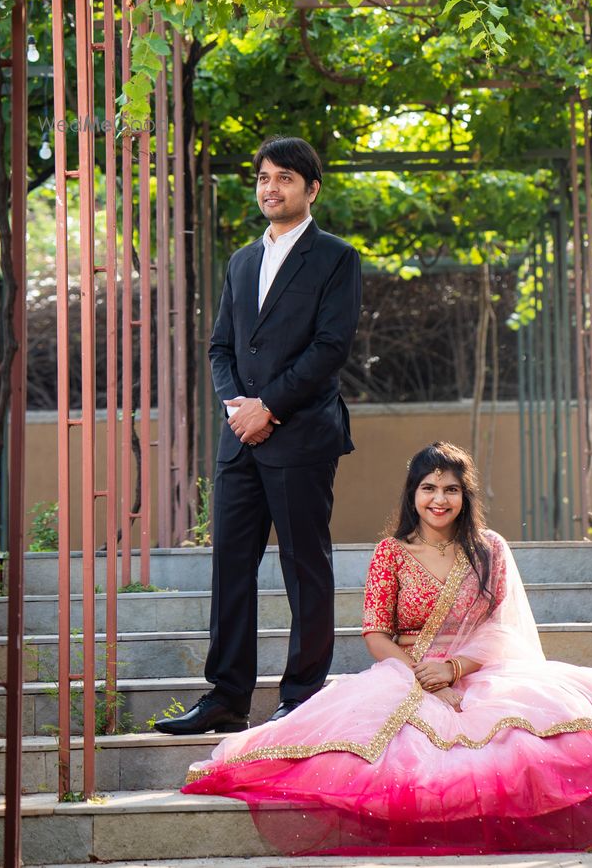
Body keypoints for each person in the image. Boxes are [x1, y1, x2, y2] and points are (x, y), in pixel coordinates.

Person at [183, 441, 592, 852]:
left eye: (452, 489)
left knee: (531, 741)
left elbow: (504, 629)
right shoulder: (391, 553)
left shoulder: (489, 549)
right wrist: (419, 672)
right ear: (413, 493)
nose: (440, 500)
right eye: (430, 488)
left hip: (483, 670)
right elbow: (374, 631)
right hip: (405, 670)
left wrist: (456, 666)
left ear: (466, 495)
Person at [156, 136, 362, 736]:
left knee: (305, 566)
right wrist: (238, 408)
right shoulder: (242, 261)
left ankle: (301, 697)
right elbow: (221, 345)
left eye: (285, 178)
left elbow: (331, 348)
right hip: (239, 438)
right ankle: (225, 697)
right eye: (264, 177)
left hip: (301, 436)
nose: (271, 187)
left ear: (311, 188)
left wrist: (269, 407)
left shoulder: (336, 258)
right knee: (231, 566)